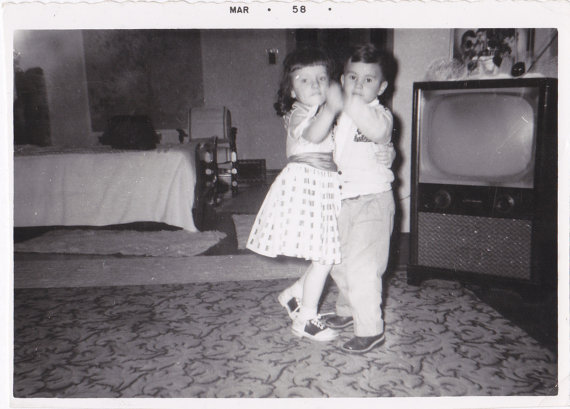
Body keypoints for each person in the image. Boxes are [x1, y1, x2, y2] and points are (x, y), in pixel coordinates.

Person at [277, 43, 397, 354]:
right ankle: (347, 311)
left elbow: (378, 132)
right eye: (352, 78)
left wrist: (346, 99)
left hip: (372, 201)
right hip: (340, 199)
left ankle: (370, 329)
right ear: (342, 79)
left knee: (363, 268)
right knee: (338, 264)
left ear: (382, 87)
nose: (358, 85)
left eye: (368, 80)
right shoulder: (337, 115)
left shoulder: (379, 114)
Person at [246, 47, 344, 342]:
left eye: (321, 78)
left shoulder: (322, 113)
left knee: (327, 254)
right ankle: (306, 319)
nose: (315, 85)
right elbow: (313, 135)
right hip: (306, 185)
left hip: (323, 184)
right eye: (304, 80)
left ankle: (294, 294)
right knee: (325, 256)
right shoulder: (301, 111)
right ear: (290, 90)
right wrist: (330, 109)